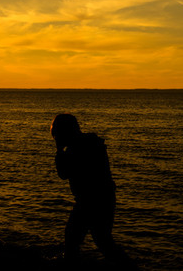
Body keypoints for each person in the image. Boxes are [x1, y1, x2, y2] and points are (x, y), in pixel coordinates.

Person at [50, 113, 132, 267]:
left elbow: (63, 173)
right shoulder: (90, 143)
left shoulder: (76, 148)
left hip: (91, 201)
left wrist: (59, 151)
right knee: (101, 240)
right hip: (102, 198)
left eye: (57, 134)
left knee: (77, 238)